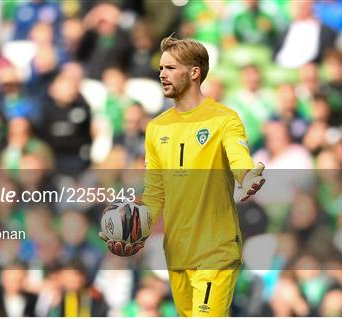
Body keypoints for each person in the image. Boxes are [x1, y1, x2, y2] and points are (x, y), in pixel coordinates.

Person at [99, 36, 266, 316]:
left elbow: (240, 160)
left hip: (216, 247)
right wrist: (135, 234)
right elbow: (154, 194)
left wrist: (246, 177)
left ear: (194, 72)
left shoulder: (224, 119)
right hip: (176, 251)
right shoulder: (156, 128)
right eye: (161, 68)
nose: (162, 74)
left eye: (171, 68)